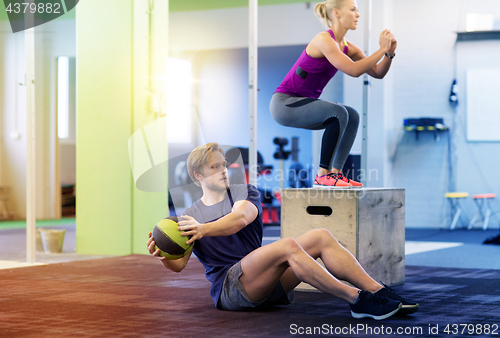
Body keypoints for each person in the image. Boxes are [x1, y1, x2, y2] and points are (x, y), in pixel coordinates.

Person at [147, 143, 418, 320]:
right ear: (198, 176)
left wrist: (204, 229)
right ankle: (357, 300)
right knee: (287, 245)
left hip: (265, 282)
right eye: (213, 167)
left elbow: (240, 218)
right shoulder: (189, 217)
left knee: (320, 235)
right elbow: (179, 264)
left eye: (223, 165)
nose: (223, 171)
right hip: (232, 291)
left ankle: (378, 291)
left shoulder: (244, 193)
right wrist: (161, 253)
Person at [270, 0, 397, 188]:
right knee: (338, 112)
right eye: (353, 10)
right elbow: (354, 70)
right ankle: (323, 174)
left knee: (352, 115)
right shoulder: (323, 40)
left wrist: (389, 54)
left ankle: (335, 174)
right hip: (284, 104)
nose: (358, 15)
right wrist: (381, 49)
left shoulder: (349, 47)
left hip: (303, 102)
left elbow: (377, 72)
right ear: (336, 13)